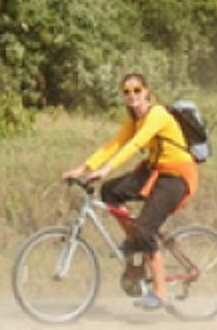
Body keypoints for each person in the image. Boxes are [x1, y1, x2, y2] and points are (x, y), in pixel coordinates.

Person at [59, 71, 195, 311]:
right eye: (127, 92)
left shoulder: (157, 115)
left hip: (176, 175)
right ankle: (135, 244)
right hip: (154, 170)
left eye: (137, 91)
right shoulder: (133, 118)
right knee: (110, 192)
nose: (132, 96)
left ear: (147, 92)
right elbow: (114, 144)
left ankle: (161, 293)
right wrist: (83, 169)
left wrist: (106, 169)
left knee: (145, 229)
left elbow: (136, 144)